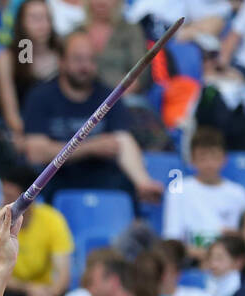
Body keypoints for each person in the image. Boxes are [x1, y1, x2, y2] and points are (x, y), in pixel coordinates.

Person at [21, 28, 162, 204]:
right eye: (78, 59)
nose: (85, 67)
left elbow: (122, 140)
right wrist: (89, 147)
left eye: (91, 60)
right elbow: (35, 152)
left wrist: (143, 182)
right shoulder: (41, 96)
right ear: (61, 61)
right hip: (56, 182)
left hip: (102, 178)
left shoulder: (108, 96)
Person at [0, 162, 73, 296]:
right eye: (3, 195)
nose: (4, 203)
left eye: (10, 197)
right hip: (9, 290)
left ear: (30, 199)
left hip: (46, 291)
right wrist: (28, 289)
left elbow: (63, 274)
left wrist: (51, 295)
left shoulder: (53, 220)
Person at [160, 126, 245, 262]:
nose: (209, 164)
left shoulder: (239, 194)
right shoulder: (178, 191)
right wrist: (204, 255)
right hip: (189, 260)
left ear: (224, 159)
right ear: (192, 160)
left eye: (214, 157)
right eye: (203, 157)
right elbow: (172, 238)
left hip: (230, 261)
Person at [0, 0, 60, 146]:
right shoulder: (7, 59)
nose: (42, 24)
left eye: (46, 18)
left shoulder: (62, 54)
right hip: (28, 133)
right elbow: (11, 115)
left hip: (63, 129)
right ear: (21, 23)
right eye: (35, 19)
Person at [84, 0, 148, 92]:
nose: (101, 2)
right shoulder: (77, 33)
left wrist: (123, 91)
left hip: (122, 96)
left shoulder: (130, 30)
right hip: (84, 96)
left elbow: (141, 71)